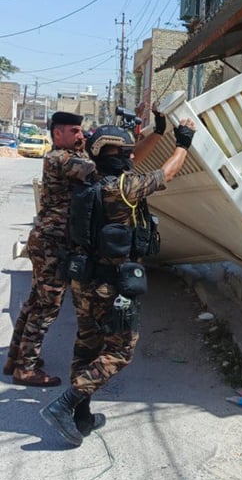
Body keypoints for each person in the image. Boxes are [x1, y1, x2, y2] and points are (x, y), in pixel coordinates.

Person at [40, 117, 196, 447]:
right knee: (121, 351)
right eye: (124, 153)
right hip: (111, 286)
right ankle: (64, 405)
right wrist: (182, 142)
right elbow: (166, 173)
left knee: (87, 346)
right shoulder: (124, 189)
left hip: (84, 280)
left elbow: (131, 155)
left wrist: (156, 132)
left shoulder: (86, 177)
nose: (130, 158)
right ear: (117, 157)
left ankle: (82, 417)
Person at [4, 111, 96, 387]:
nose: (80, 136)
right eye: (74, 131)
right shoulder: (60, 158)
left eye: (81, 131)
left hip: (46, 241)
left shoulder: (65, 156)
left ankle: (15, 358)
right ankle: (26, 369)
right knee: (47, 307)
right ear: (57, 134)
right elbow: (96, 170)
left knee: (34, 302)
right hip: (53, 244)